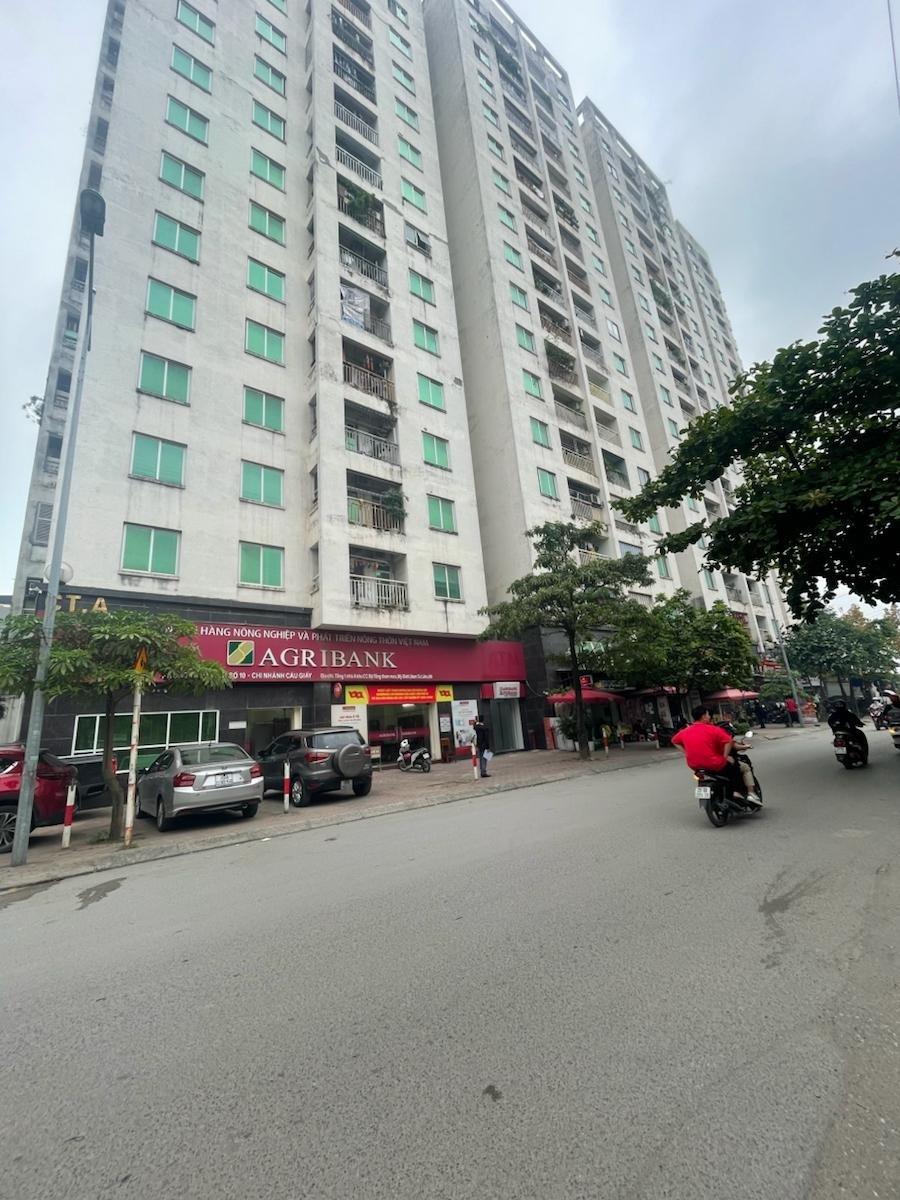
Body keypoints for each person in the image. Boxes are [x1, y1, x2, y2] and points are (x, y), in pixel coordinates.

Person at [672, 705, 761, 807]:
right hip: (714, 763)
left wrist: (686, 753)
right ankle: (744, 793)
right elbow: (729, 741)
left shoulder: (685, 731)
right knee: (740, 766)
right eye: (708, 714)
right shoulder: (713, 729)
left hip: (694, 765)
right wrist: (725, 756)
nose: (709, 716)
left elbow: (674, 741)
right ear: (704, 716)